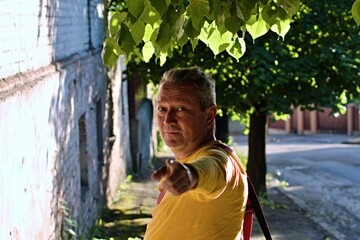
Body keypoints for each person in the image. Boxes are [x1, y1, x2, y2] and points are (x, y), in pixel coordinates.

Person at [144, 67, 248, 240]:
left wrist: (190, 175)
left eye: (180, 109)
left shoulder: (221, 159)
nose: (168, 119)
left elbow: (212, 170)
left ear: (209, 115)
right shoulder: (188, 159)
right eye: (162, 108)